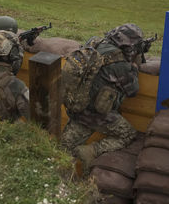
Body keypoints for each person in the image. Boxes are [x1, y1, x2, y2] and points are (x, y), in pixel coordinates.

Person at [60, 23, 145, 171]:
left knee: (62, 149)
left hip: (76, 106)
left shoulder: (94, 42)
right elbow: (133, 90)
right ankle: (91, 151)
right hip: (96, 115)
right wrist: (134, 66)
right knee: (128, 134)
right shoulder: (121, 64)